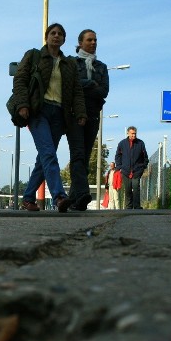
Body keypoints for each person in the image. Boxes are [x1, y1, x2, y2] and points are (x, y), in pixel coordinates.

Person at [14, 23, 87, 213]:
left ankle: (28, 198)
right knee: (48, 153)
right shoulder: (33, 55)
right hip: (39, 111)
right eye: (52, 33)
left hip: (59, 114)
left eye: (60, 34)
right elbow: (20, 80)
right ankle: (59, 196)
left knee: (44, 158)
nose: (56, 36)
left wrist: (80, 113)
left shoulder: (69, 63)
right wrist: (23, 104)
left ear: (64, 39)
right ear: (47, 37)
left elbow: (77, 91)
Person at [67, 28, 109, 211]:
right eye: (90, 40)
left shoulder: (101, 67)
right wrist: (91, 84)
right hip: (74, 113)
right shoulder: (71, 63)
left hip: (93, 115)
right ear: (80, 43)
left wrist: (86, 87)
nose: (93, 43)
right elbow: (70, 86)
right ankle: (83, 193)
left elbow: (104, 91)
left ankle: (74, 199)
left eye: (95, 40)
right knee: (77, 153)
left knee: (84, 155)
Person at [114, 126, 149, 209]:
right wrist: (119, 167)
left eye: (135, 133)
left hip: (137, 171)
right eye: (132, 133)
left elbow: (145, 157)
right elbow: (118, 156)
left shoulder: (140, 143)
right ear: (128, 133)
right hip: (125, 171)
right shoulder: (122, 143)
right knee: (128, 189)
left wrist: (143, 167)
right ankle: (128, 207)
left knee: (136, 188)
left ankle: (137, 206)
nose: (134, 135)